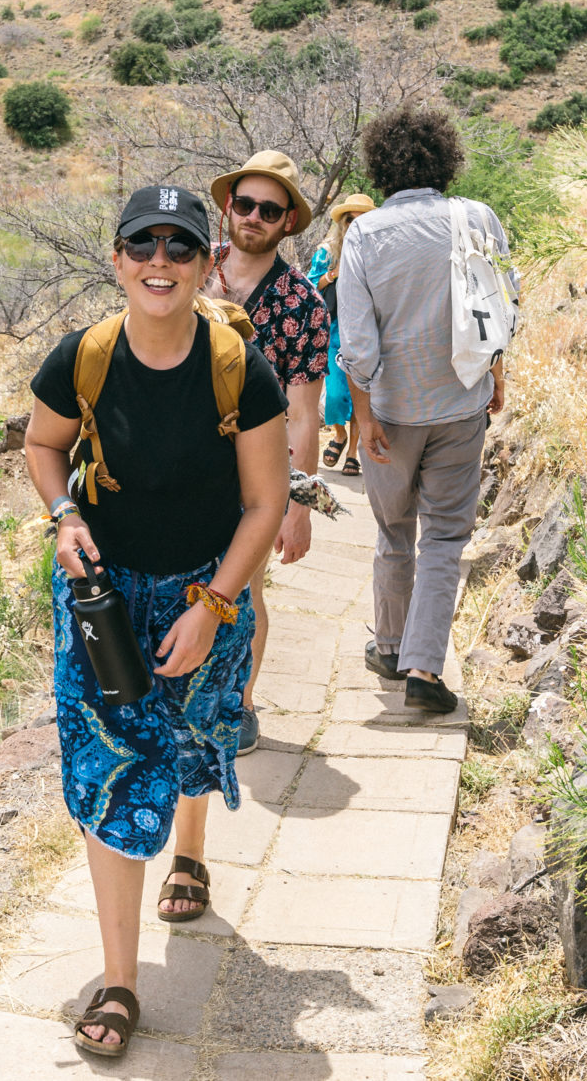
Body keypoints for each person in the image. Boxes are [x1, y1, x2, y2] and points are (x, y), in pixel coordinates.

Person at [25, 185, 288, 1058]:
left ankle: (191, 851)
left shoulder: (236, 368)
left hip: (202, 592)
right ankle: (121, 981)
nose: (161, 263)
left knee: (192, 736)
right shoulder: (84, 359)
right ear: (117, 259)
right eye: (145, 245)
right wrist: (65, 515)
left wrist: (216, 608)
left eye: (181, 247)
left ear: (205, 261)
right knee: (108, 767)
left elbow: (265, 501)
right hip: (103, 601)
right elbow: (41, 444)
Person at [338, 107, 508, 716]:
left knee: (392, 532)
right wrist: (495, 375)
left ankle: (388, 646)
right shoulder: (478, 219)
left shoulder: (363, 234)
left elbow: (357, 345)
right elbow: (500, 309)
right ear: (446, 159)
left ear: (381, 165)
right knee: (443, 537)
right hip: (461, 404)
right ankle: (423, 668)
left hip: (391, 413)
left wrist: (364, 416)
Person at [203, 151, 328, 755]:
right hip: (174, 461)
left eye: (268, 209)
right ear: (229, 207)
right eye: (244, 204)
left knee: (242, 593)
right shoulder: (189, 268)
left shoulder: (301, 302)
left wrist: (298, 505)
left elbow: (306, 411)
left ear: (287, 222)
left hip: (255, 473)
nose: (252, 216)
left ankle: (240, 704)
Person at [308, 193, 375, 478]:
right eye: (351, 219)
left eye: (362, 220)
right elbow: (310, 284)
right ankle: (338, 434)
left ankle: (352, 454)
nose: (355, 225)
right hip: (334, 328)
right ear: (343, 223)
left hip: (364, 327)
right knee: (336, 394)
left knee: (361, 393)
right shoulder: (327, 250)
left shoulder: (377, 250)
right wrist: (332, 274)